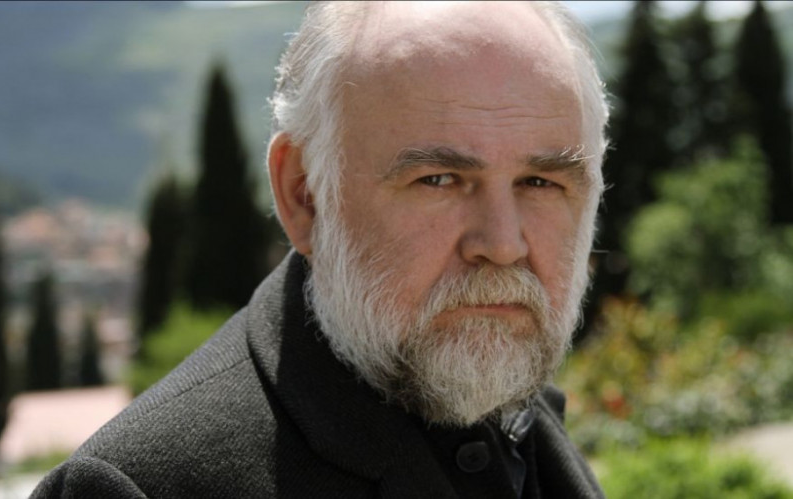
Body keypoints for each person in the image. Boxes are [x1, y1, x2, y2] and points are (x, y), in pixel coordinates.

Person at [32, 1, 609, 497]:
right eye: (438, 180)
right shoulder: (138, 488)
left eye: (541, 183)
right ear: (304, 195)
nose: (503, 245)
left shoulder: (521, 420)